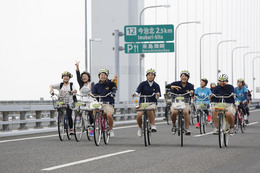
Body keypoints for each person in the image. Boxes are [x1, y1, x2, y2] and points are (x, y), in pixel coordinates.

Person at [133, 68, 161, 137]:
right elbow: (138, 91)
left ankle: (153, 125)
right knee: (139, 115)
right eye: (149, 75)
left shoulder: (156, 85)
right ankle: (140, 128)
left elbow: (158, 93)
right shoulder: (142, 84)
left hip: (152, 103)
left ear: (154, 76)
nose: (150, 76)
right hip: (143, 103)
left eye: (152, 75)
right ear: (147, 76)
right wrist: (135, 94)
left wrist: (157, 94)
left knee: (150, 111)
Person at [166, 70, 194, 136]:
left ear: (188, 77)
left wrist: (192, 92)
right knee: (174, 112)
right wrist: (172, 87)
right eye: (182, 76)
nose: (184, 77)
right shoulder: (176, 83)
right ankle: (174, 125)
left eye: (185, 76)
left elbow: (193, 92)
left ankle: (187, 129)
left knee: (186, 112)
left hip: (185, 103)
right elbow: (167, 86)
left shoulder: (190, 85)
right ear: (180, 77)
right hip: (176, 102)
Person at [92, 68, 117, 137]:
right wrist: (92, 95)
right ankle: (96, 123)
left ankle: (111, 129)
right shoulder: (96, 85)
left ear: (107, 76)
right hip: (100, 103)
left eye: (104, 75)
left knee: (108, 115)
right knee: (94, 111)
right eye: (101, 75)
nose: (103, 76)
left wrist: (113, 93)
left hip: (108, 103)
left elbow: (114, 89)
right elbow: (93, 93)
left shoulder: (111, 83)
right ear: (99, 76)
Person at [75, 61, 94, 135]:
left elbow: (94, 91)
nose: (84, 77)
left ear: (88, 77)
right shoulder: (81, 84)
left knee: (91, 114)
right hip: (82, 101)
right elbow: (77, 75)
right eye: (82, 77)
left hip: (90, 102)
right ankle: (79, 119)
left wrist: (92, 94)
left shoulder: (91, 84)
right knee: (76, 108)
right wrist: (77, 67)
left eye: (85, 76)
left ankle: (91, 129)